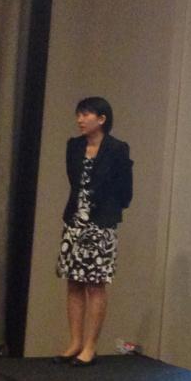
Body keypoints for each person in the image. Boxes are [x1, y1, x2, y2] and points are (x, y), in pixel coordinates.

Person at [56, 97, 133, 366]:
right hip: (75, 221)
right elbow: (74, 182)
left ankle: (90, 346)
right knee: (73, 281)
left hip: (101, 223)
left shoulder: (117, 148)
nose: (80, 120)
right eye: (78, 114)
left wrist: (108, 210)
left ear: (101, 119)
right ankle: (75, 342)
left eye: (86, 115)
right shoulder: (74, 146)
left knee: (95, 283)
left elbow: (125, 190)